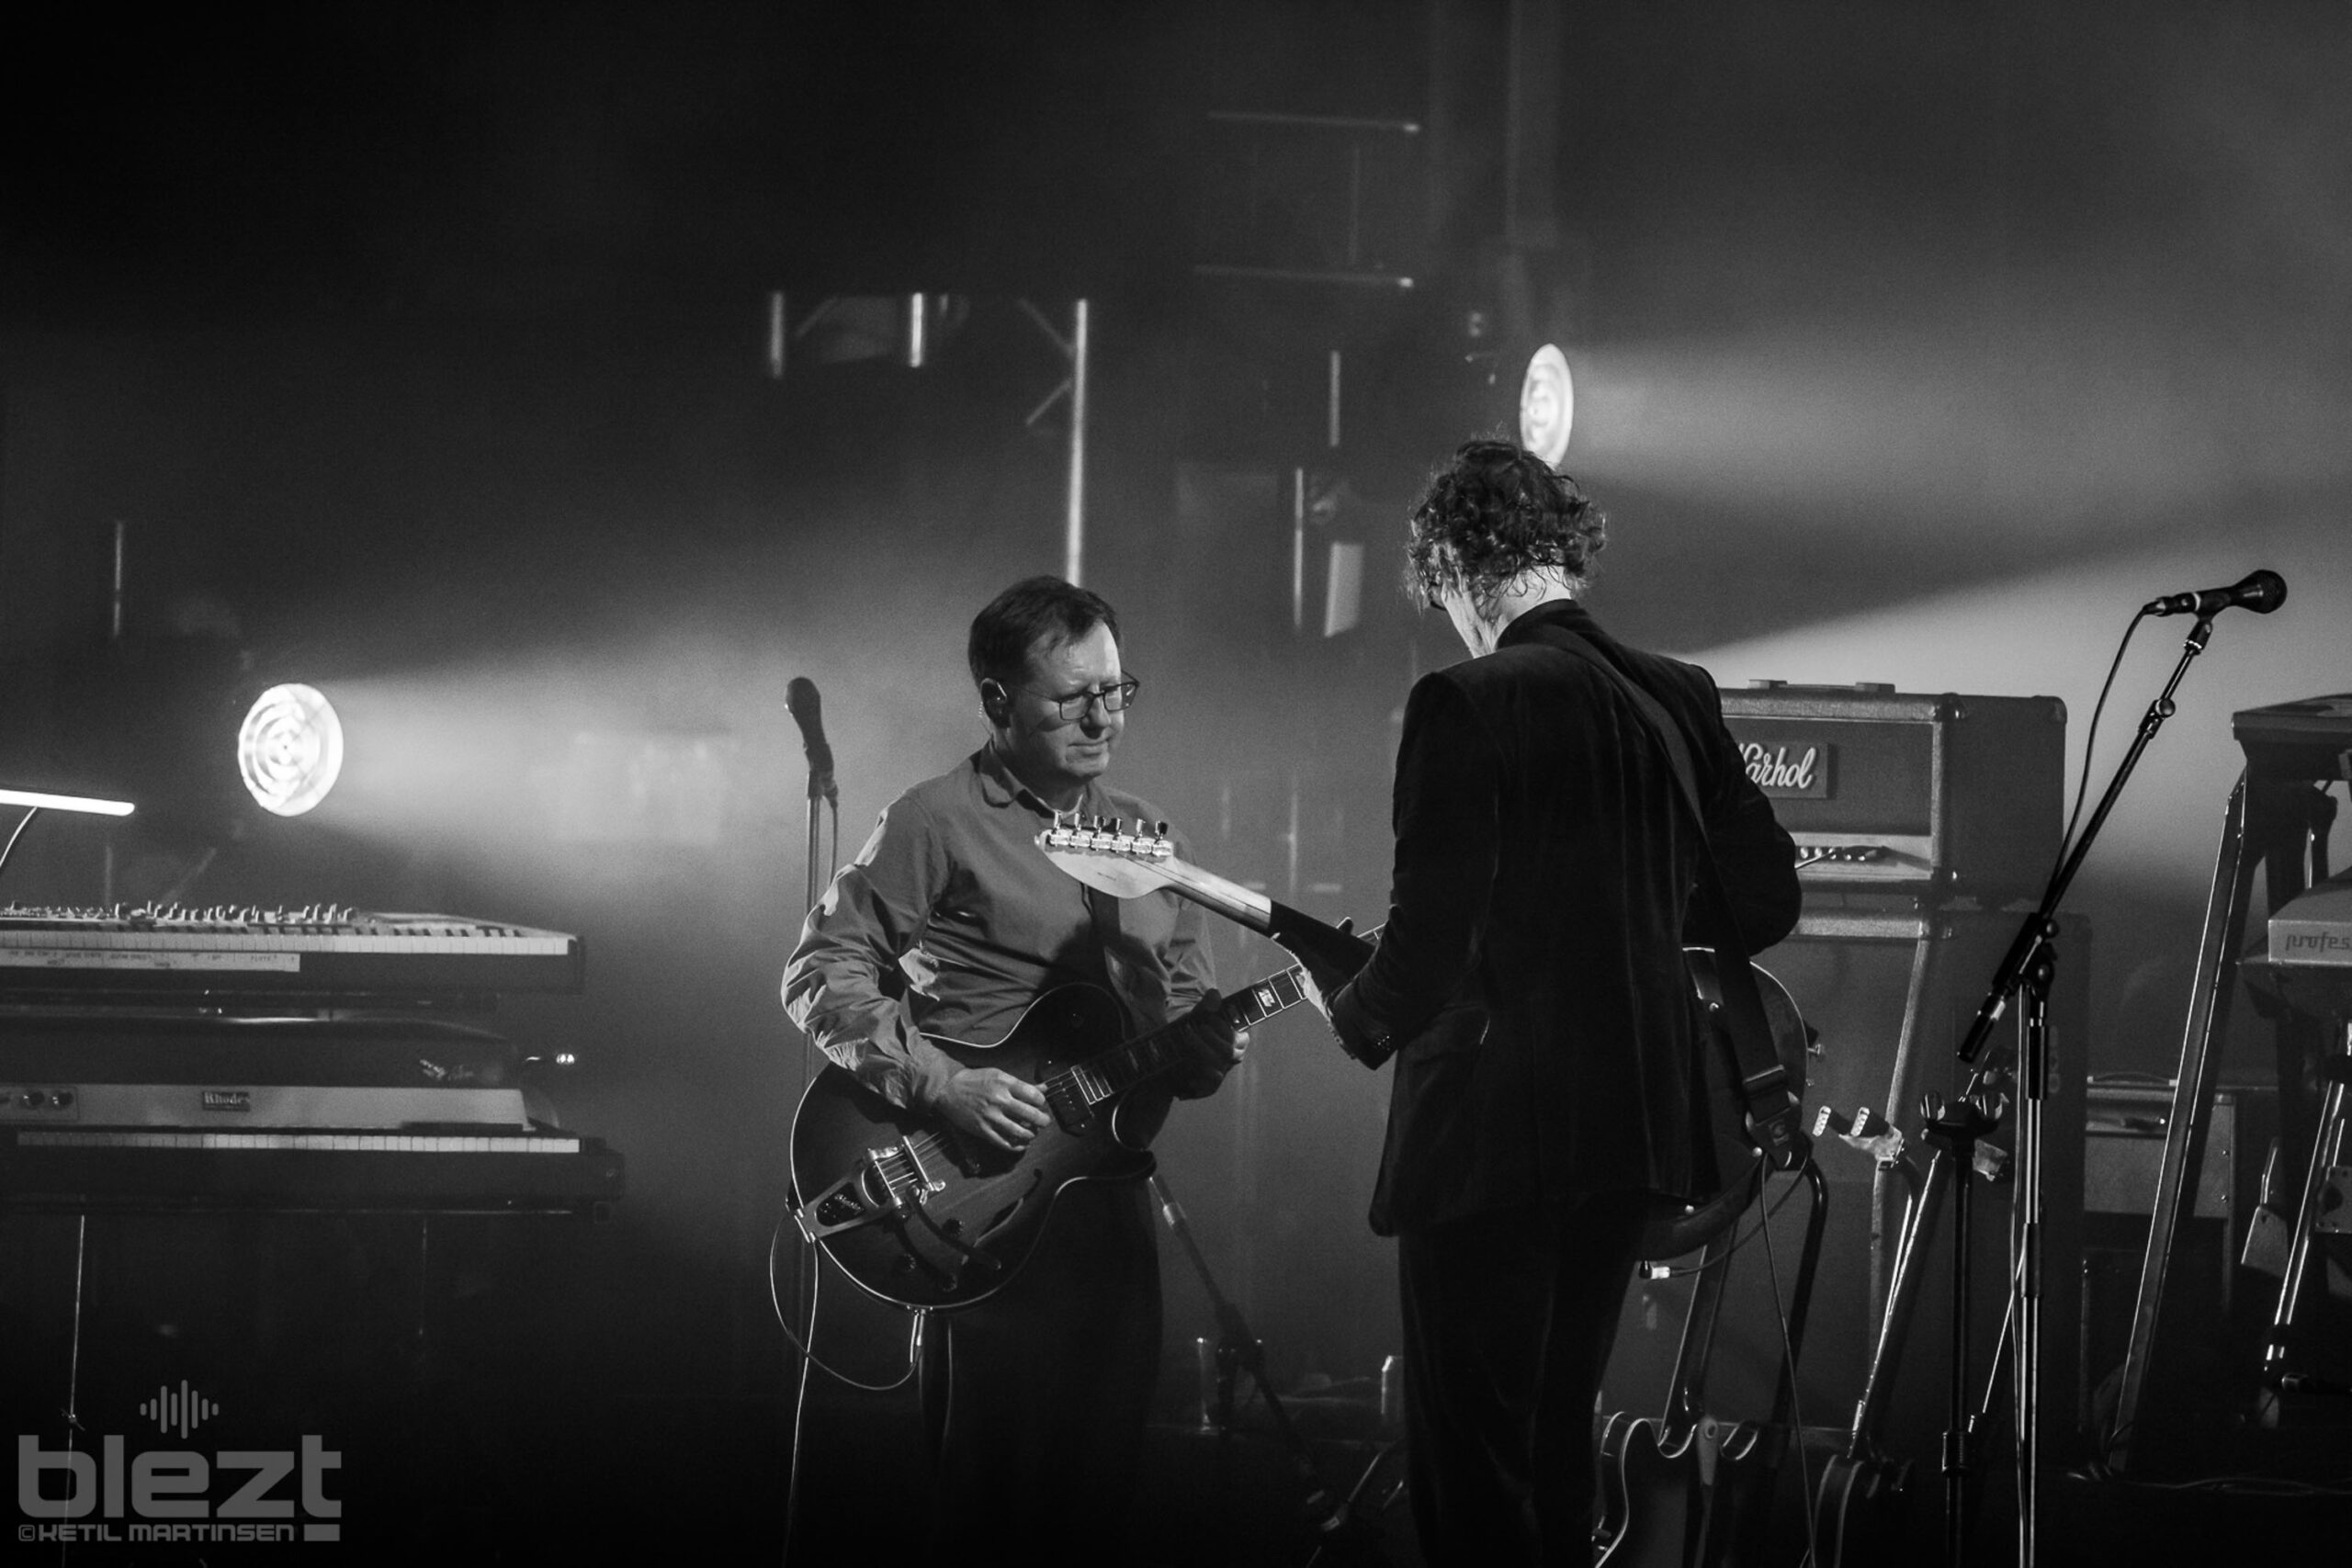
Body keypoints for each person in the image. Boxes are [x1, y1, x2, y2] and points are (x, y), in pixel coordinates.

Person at [1304, 440, 1801, 1564]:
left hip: (1490, 1135)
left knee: (1472, 1462)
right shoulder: (1677, 692)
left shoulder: (1464, 699)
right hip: (1632, 1127)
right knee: (1555, 1444)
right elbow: (1763, 901)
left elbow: (1424, 943)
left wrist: (1361, 1013)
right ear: (1561, 558)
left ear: (1457, 574)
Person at [783, 575, 1243, 1562]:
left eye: (1115, 691)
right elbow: (821, 972)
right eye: (1071, 696)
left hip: (1107, 1203)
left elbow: (1190, 1028)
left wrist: (1210, 1044)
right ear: (997, 702)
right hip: (976, 1193)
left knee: (1096, 1496)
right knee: (990, 1503)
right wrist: (941, 1083)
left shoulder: (1153, 841)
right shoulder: (935, 821)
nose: (1101, 716)